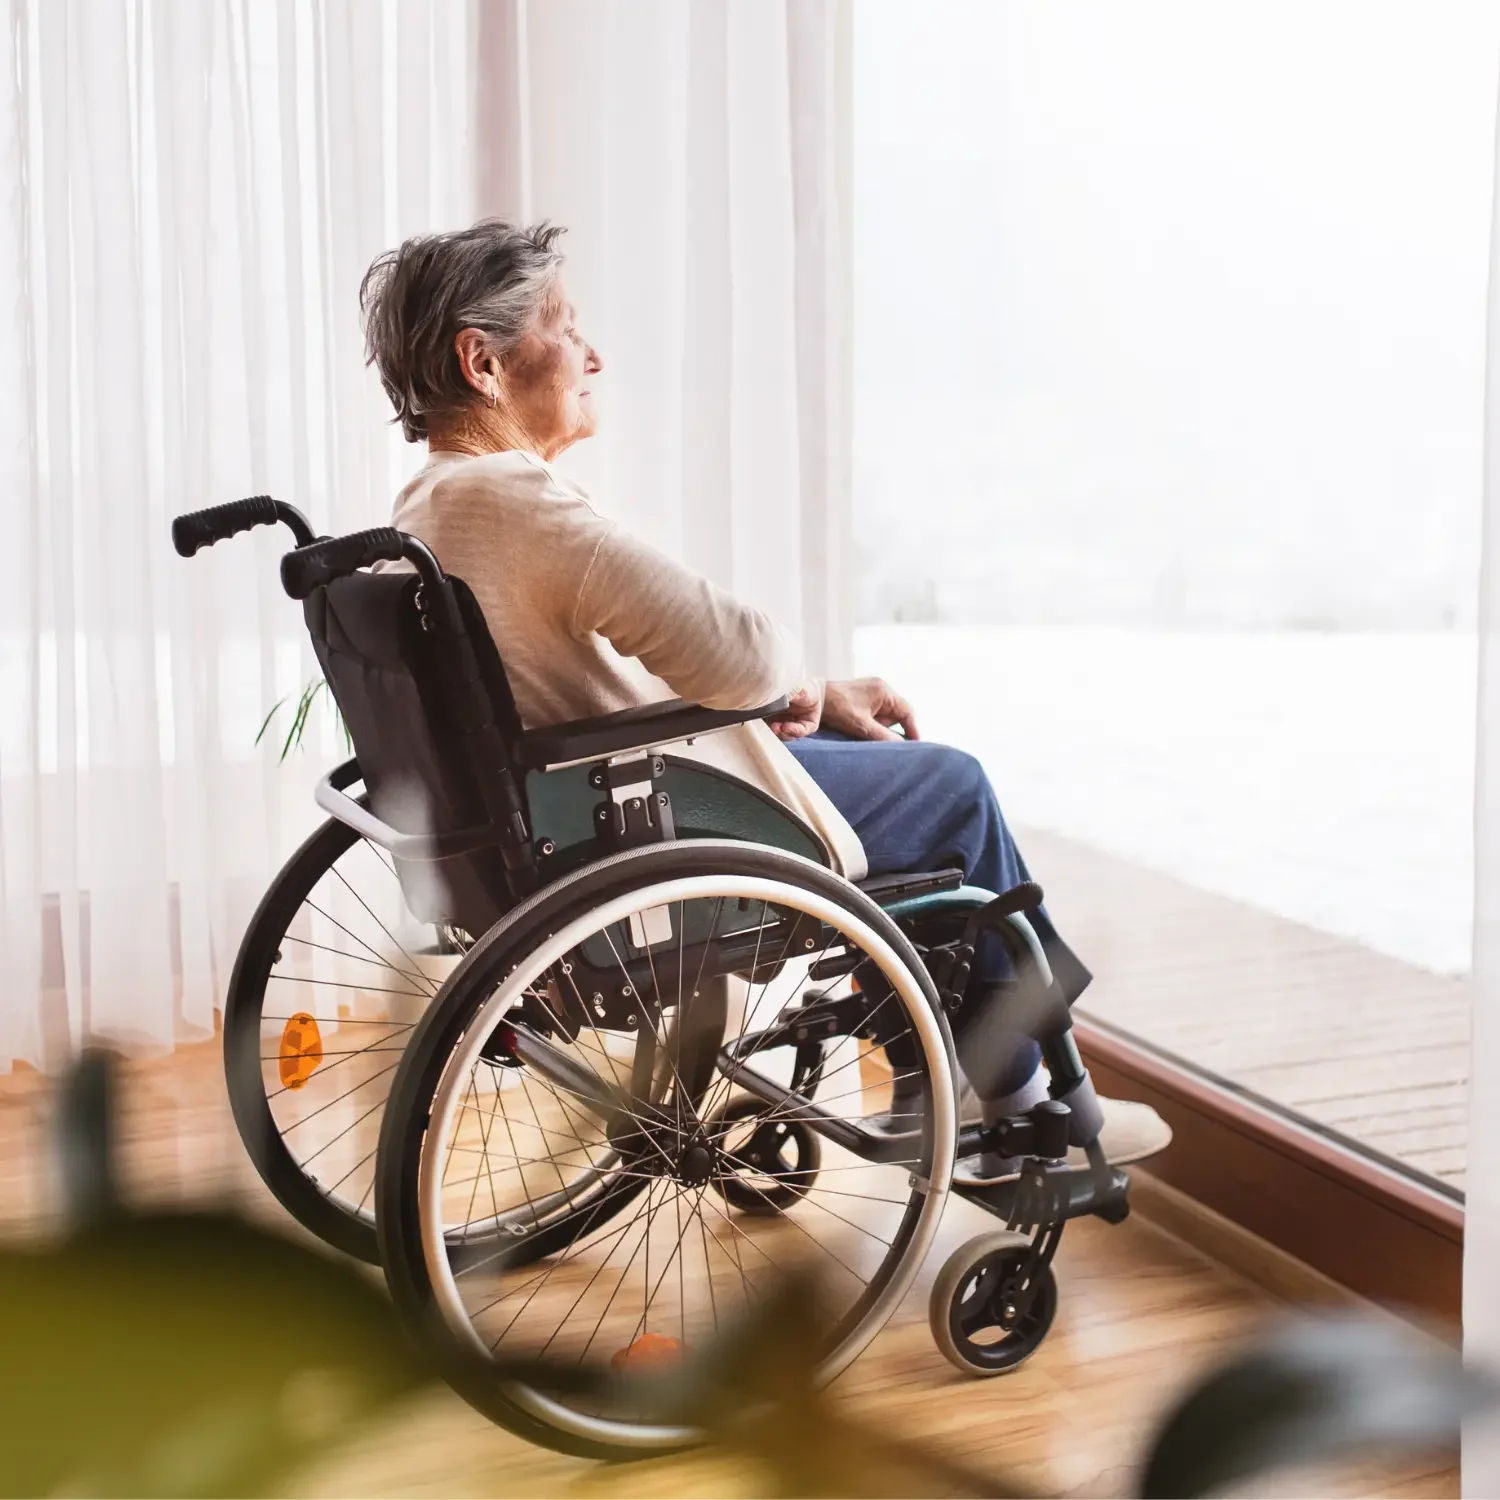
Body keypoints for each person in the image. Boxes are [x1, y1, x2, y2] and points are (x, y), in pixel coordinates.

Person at [360, 219, 1169, 1181]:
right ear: (482, 362)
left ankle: (931, 1078)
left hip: (573, 818)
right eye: (566, 327)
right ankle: (1033, 1105)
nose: (593, 355)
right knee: (951, 788)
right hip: (643, 826)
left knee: (876, 772)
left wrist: (808, 698)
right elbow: (740, 654)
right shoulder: (517, 503)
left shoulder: (426, 507)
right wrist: (793, 685)